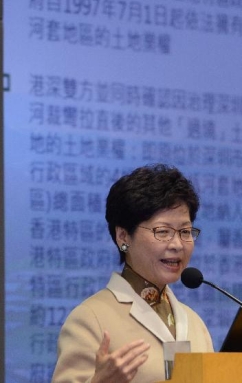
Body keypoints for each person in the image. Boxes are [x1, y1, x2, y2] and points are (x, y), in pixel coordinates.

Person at [52, 164, 214, 383]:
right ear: (123, 237)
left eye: (185, 231)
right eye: (163, 231)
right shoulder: (90, 319)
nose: (177, 244)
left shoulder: (195, 324)